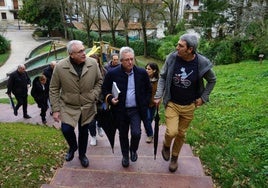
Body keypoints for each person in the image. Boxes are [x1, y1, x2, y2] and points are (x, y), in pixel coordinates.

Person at [154, 33, 216, 172]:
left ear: (190, 49)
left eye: (180, 46)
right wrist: (159, 95)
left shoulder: (201, 62)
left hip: (189, 106)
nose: (177, 48)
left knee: (181, 134)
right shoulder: (172, 58)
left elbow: (212, 80)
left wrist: (203, 97)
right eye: (177, 44)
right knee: (171, 132)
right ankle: (166, 144)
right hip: (172, 103)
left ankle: (174, 157)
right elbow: (163, 77)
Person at [49, 40, 103, 168]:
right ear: (71, 54)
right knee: (66, 129)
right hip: (68, 105)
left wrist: (94, 95)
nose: (84, 53)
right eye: (80, 51)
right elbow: (54, 88)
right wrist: (56, 109)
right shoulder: (60, 67)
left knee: (84, 132)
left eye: (84, 50)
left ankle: (82, 155)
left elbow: (99, 81)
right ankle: (73, 146)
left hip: (87, 105)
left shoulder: (93, 63)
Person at [102, 46, 151, 168]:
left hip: (136, 110)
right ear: (121, 60)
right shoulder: (112, 73)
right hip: (120, 110)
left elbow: (148, 89)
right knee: (123, 134)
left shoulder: (142, 73)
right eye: (126, 60)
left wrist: (144, 103)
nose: (130, 62)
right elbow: (104, 89)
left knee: (136, 133)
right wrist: (109, 99)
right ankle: (125, 155)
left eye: (131, 59)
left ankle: (133, 149)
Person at [88, 54, 105, 146]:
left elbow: (106, 86)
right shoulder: (84, 73)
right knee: (91, 121)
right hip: (89, 102)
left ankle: (99, 126)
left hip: (101, 100)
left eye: (96, 62)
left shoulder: (104, 72)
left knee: (101, 117)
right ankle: (93, 136)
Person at [144, 62, 159, 143]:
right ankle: (150, 134)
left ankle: (148, 128)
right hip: (144, 103)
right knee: (147, 118)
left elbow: (160, 92)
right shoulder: (143, 78)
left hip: (153, 103)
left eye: (149, 69)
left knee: (150, 119)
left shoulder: (158, 81)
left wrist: (158, 100)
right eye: (146, 68)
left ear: (154, 70)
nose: (146, 70)